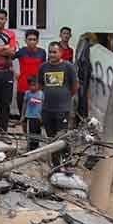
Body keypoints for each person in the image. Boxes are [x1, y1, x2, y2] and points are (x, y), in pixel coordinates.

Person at [37, 41, 79, 169]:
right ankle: (55, 164)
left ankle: (67, 162)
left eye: (54, 52)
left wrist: (65, 98)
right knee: (51, 137)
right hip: (47, 108)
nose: (52, 54)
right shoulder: (43, 67)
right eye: (50, 52)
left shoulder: (68, 66)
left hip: (62, 109)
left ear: (61, 53)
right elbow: (41, 85)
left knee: (63, 136)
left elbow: (75, 87)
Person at [15, 29, 46, 115]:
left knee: (35, 113)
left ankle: (34, 129)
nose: (32, 41)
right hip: (22, 86)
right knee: (23, 113)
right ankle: (24, 128)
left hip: (36, 88)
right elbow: (8, 59)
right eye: (30, 39)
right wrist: (14, 71)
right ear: (25, 40)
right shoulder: (21, 51)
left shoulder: (42, 52)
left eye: (34, 39)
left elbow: (44, 69)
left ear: (37, 40)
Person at [20, 76, 44, 152]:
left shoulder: (41, 94)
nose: (33, 87)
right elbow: (24, 104)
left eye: (34, 85)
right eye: (31, 85)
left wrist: (42, 116)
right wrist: (23, 115)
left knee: (37, 131)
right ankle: (31, 146)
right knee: (30, 131)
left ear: (39, 85)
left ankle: (36, 145)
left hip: (37, 116)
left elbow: (43, 105)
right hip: (29, 116)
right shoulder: (27, 93)